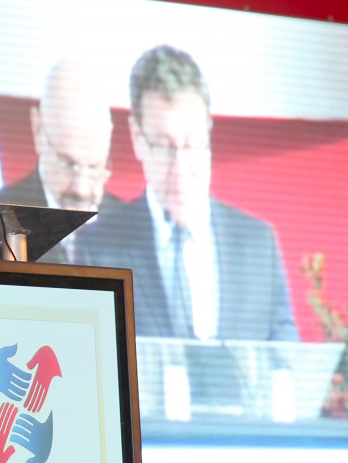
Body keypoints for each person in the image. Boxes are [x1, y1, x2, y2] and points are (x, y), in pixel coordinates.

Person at [76, 45, 298, 342]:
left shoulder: (258, 245)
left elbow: (285, 360)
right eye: (165, 147)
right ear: (137, 138)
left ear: (208, 131)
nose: (180, 168)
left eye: (193, 144)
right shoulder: (98, 249)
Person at [0, 60, 121, 264]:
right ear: (38, 129)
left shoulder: (132, 225)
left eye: (94, 167)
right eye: (68, 164)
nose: (81, 189)